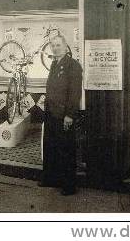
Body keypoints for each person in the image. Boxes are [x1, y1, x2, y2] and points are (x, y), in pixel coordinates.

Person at [39, 35, 83, 195]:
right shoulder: (54, 63)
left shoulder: (73, 66)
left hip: (64, 114)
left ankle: (69, 185)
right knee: (51, 147)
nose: (55, 48)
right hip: (51, 112)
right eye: (53, 45)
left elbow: (75, 93)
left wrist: (70, 115)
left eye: (58, 45)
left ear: (66, 47)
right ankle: (51, 179)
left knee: (66, 150)